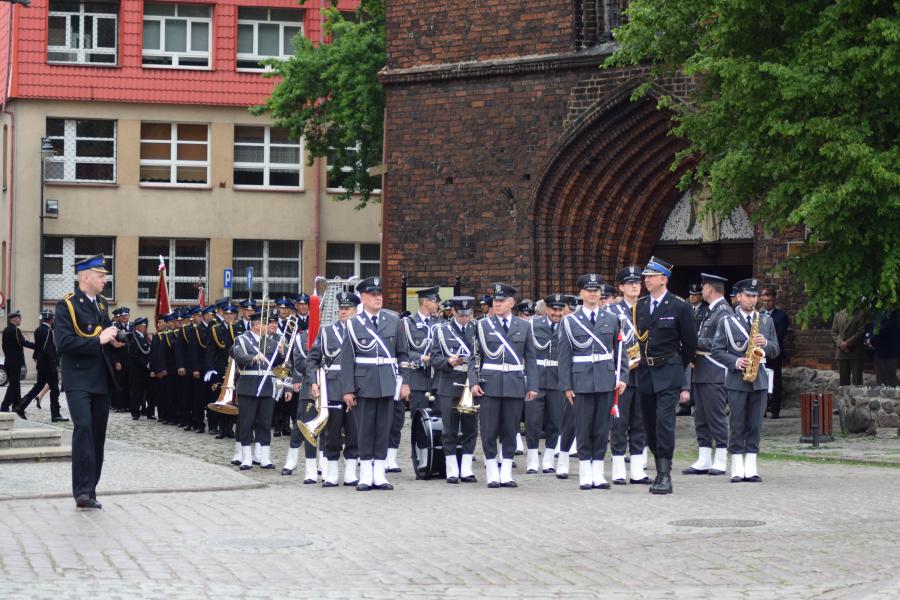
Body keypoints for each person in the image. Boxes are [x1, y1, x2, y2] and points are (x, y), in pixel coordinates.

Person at [53, 254, 123, 509]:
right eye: (100, 275)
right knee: (83, 429)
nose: (105, 279)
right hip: (78, 378)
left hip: (101, 378)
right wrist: (99, 340)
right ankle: (81, 491)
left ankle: (91, 489)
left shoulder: (102, 304)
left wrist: (115, 340)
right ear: (85, 277)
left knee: (98, 435)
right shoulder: (67, 305)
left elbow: (106, 334)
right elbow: (64, 343)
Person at [633, 256, 698, 495]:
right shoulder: (639, 306)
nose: (646, 280)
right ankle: (657, 458)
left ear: (663, 279)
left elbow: (690, 343)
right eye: (645, 277)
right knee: (649, 424)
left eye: (650, 277)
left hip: (668, 370)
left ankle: (664, 474)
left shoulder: (679, 306)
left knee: (664, 423)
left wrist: (677, 366)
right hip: (646, 372)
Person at [339, 277, 411, 491]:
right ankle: (365, 476)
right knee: (364, 430)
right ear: (362, 297)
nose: (378, 297)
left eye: (379, 294)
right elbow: (346, 359)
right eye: (372, 294)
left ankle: (379, 475)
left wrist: (404, 382)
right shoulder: (352, 324)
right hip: (364, 385)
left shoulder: (393, 321)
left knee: (384, 429)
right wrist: (348, 389)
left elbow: (402, 354)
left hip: (388, 384)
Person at [558, 274, 628, 490]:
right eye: (588, 290)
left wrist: (622, 376)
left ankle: (598, 473)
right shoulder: (569, 321)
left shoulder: (612, 319)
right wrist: (566, 385)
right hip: (581, 381)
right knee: (583, 426)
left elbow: (620, 352)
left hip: (606, 379)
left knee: (601, 427)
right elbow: (564, 356)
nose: (593, 294)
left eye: (596, 290)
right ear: (581, 293)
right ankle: (585, 473)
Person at [468, 283, 538, 488]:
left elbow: (530, 359)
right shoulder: (482, 325)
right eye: (495, 301)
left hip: (515, 383)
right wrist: (473, 382)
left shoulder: (524, 326)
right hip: (489, 382)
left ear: (512, 303)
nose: (496, 304)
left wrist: (532, 385)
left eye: (501, 301)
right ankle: (491, 471)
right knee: (489, 429)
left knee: (511, 428)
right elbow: (474, 357)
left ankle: (506, 471)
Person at [711, 278, 780, 483]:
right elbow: (717, 351)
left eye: (755, 296)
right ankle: (737, 466)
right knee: (737, 422)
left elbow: (776, 350)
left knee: (755, 424)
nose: (752, 300)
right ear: (738, 297)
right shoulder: (727, 322)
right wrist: (735, 361)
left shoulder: (766, 321)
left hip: (759, 379)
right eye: (748, 296)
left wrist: (765, 343)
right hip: (737, 379)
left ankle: (751, 465)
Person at [306, 291, 360, 487]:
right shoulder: (326, 331)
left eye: (348, 309)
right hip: (333, 386)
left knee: (354, 431)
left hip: (356, 387)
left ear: (356, 310)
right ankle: (331, 473)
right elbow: (312, 359)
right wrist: (313, 381)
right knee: (332, 432)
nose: (343, 312)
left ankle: (351, 473)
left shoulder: (362, 330)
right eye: (342, 309)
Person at [682, 273, 731, 477]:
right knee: (700, 416)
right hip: (701, 370)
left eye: (703, 287)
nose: (701, 290)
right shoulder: (712, 311)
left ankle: (720, 458)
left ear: (710, 288)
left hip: (714, 370)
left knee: (716, 416)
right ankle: (704, 458)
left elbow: (723, 344)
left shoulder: (724, 312)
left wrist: (691, 341)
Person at [607, 266, 650, 484]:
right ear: (621, 287)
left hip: (644, 373)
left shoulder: (648, 309)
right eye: (629, 283)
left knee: (640, 422)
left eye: (637, 283)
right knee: (619, 422)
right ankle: (617, 468)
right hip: (622, 375)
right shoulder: (613, 312)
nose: (635, 286)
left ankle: (637, 470)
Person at [430, 296, 480, 483]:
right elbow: (434, 358)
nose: (465, 318)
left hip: (471, 382)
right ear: (453, 312)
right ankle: (451, 468)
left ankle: (466, 468)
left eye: (468, 314)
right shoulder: (441, 331)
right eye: (461, 314)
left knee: (470, 428)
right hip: (449, 382)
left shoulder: (477, 329)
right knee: (449, 429)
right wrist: (448, 362)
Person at [231, 307, 285, 470]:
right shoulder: (242, 339)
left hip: (267, 387)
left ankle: (264, 458)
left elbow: (277, 364)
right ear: (255, 325)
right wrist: (253, 357)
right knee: (246, 423)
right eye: (264, 323)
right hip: (248, 385)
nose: (268, 326)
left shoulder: (272, 342)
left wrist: (282, 353)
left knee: (265, 422)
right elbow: (238, 355)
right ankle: (246, 457)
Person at [394, 286, 441, 471]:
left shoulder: (439, 323)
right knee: (418, 420)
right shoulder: (407, 323)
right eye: (435, 301)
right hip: (418, 377)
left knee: (438, 419)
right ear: (426, 302)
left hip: (436, 377)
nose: (437, 305)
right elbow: (402, 351)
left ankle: (436, 458)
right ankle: (420, 458)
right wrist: (422, 358)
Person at [524, 294, 565, 475]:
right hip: (537, 379)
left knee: (555, 422)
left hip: (557, 380)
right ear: (546, 309)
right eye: (553, 309)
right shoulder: (532, 325)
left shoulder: (567, 326)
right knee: (533, 422)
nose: (556, 313)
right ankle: (532, 460)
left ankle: (548, 460)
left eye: (559, 309)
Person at [16, 310, 66, 421]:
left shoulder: (38, 330)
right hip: (48, 364)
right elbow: (48, 350)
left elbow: (39, 347)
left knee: (38, 387)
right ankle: (55, 415)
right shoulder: (49, 331)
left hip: (41, 363)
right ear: (52, 319)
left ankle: (21, 406)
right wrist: (54, 365)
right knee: (55, 389)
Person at [281, 327, 317, 482]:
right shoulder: (302, 337)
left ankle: (323, 464)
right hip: (309, 385)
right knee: (302, 423)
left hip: (333, 386)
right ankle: (292, 461)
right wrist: (296, 380)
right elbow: (298, 362)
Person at [759, 287, 789, 418]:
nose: (766, 303)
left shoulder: (781, 316)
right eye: (764, 300)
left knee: (775, 382)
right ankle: (763, 408)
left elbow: (779, 336)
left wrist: (766, 344)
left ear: (774, 300)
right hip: (760, 354)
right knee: (762, 381)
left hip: (774, 353)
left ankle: (775, 409)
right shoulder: (758, 314)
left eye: (769, 301)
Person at [2, 310, 36, 415]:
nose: (20, 320)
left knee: (15, 384)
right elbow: (22, 342)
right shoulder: (15, 330)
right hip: (14, 362)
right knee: (13, 385)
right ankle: (4, 406)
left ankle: (17, 405)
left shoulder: (6, 330)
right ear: (14, 319)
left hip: (9, 361)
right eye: (19, 318)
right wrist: (36, 345)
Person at [831, 307, 868, 385]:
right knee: (843, 382)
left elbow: (861, 331)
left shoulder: (861, 313)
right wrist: (840, 343)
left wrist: (847, 343)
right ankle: (844, 397)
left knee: (857, 382)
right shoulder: (838, 312)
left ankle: (857, 397)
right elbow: (834, 332)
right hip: (841, 352)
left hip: (855, 352)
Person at [126, 318, 152, 420]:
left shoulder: (144, 337)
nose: (145, 327)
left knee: (147, 392)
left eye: (145, 325)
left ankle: (146, 411)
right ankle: (135, 412)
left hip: (146, 370)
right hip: (137, 370)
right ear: (137, 326)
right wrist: (146, 364)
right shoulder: (134, 338)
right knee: (137, 392)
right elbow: (133, 356)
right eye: (143, 325)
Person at [867, 309, 899, 387]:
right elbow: (871, 327)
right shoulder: (876, 312)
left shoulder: (893, 312)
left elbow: (884, 330)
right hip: (878, 350)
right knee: (880, 381)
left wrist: (871, 340)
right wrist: (868, 339)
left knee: (891, 381)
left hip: (889, 351)